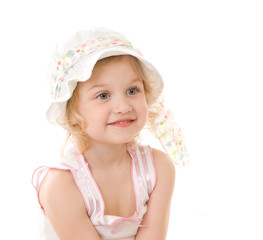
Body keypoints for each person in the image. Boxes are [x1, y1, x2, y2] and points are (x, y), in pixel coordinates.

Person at [32, 28, 189, 240]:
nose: (123, 106)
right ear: (72, 111)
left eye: (132, 91)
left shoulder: (159, 168)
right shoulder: (61, 184)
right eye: (103, 95)